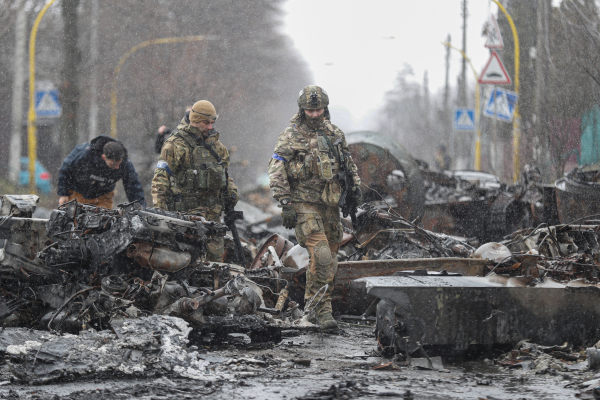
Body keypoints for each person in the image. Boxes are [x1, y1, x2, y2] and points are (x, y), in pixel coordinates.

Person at [268, 86, 362, 331]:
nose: (314, 114)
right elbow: (276, 169)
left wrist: (355, 190)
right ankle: (323, 308)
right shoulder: (291, 135)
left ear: (325, 108)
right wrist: (285, 202)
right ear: (302, 109)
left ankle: (312, 305)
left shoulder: (334, 133)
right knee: (319, 253)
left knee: (328, 261)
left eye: (318, 109)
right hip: (303, 204)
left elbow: (348, 165)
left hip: (330, 206)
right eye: (310, 110)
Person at [151, 100, 239, 262]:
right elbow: (160, 181)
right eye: (206, 123)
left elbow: (224, 175)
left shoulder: (217, 147)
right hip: (184, 219)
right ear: (195, 120)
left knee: (215, 266)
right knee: (186, 264)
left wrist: (231, 193)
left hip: (213, 219)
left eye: (212, 122)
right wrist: (160, 215)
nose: (210, 127)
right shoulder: (175, 145)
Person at [57, 136, 146, 208]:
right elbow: (65, 169)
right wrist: (63, 193)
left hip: (104, 196)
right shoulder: (85, 154)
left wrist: (140, 208)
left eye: (119, 164)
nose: (117, 167)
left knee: (104, 225)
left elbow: (133, 186)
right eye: (113, 164)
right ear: (103, 157)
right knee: (77, 224)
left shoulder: (126, 164)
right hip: (79, 193)